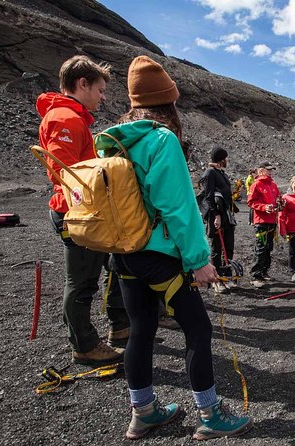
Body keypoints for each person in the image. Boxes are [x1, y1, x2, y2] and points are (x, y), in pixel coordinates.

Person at [94, 55, 251, 441]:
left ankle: (144, 412)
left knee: (141, 330)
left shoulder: (112, 141)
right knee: (198, 328)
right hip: (160, 257)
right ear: (168, 101)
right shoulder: (162, 139)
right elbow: (179, 207)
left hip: (123, 253)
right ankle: (211, 415)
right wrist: (200, 261)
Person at [36, 55, 128, 365]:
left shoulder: (72, 117)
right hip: (77, 213)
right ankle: (84, 345)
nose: (103, 97)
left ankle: (119, 327)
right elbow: (62, 171)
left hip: (85, 210)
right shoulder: (65, 119)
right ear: (82, 84)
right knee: (81, 282)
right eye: (100, 90)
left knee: (111, 265)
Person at [201, 147, 238, 294]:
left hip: (226, 215)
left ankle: (225, 276)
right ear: (221, 159)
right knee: (217, 248)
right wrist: (216, 215)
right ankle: (216, 281)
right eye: (225, 158)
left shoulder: (220, 173)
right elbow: (208, 196)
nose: (227, 160)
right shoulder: (210, 173)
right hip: (217, 215)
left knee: (228, 246)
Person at [246, 162, 281, 288]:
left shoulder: (273, 184)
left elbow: (278, 198)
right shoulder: (256, 184)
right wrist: (263, 207)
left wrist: (279, 203)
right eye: (268, 169)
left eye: (271, 170)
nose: (271, 172)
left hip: (272, 221)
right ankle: (255, 275)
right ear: (261, 170)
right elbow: (250, 202)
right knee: (260, 247)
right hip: (260, 222)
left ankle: (264, 272)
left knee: (268, 247)